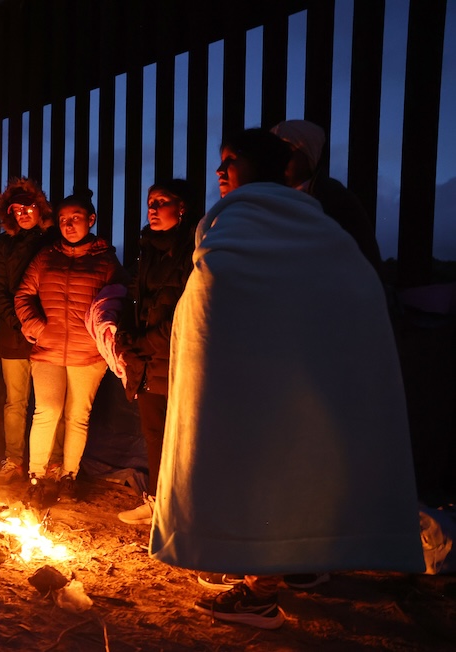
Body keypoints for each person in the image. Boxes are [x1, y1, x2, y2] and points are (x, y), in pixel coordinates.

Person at [149, 128, 424, 629]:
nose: (220, 171)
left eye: (231, 160)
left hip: (266, 390)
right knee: (284, 472)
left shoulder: (254, 227)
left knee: (264, 472)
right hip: (283, 385)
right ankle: (280, 566)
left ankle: (260, 592)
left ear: (263, 167)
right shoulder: (314, 228)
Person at [88, 179, 198, 525]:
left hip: (175, 360)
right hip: (147, 362)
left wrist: (142, 343)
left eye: (162, 201)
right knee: (153, 435)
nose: (153, 208)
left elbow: (184, 314)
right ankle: (156, 501)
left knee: (181, 438)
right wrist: (123, 335)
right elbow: (135, 298)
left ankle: (181, 508)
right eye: (151, 201)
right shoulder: (147, 249)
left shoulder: (192, 253)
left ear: (182, 208)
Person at [14, 189, 128, 506]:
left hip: (88, 354)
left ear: (91, 220)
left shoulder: (105, 261)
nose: (68, 224)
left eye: (75, 218)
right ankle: (36, 477)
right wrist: (37, 327)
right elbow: (23, 295)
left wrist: (105, 336)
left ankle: (69, 477)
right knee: (47, 411)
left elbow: (121, 299)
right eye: (63, 219)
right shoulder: (46, 257)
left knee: (78, 416)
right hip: (48, 350)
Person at [0, 177, 64, 484]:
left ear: (40, 208)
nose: (22, 213)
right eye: (15, 209)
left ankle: (53, 461)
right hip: (13, 334)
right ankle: (14, 461)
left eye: (28, 207)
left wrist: (43, 325)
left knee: (50, 402)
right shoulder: (3, 244)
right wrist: (19, 323)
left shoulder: (53, 241)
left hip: (48, 333)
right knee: (15, 401)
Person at [270, 119, 384, 276]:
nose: (278, 159)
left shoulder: (330, 197)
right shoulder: (281, 195)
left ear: (309, 154)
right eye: (273, 153)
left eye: (287, 150)